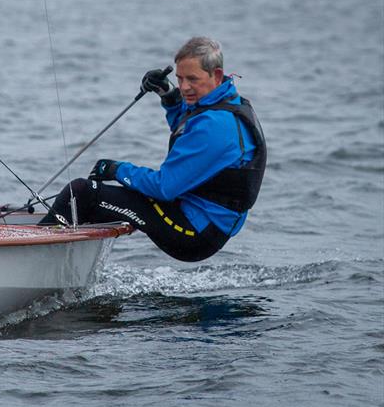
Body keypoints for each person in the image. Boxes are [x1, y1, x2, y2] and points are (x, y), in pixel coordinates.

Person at [39, 37, 266, 262]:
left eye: (192, 79)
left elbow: (165, 187)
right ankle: (63, 271)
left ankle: (34, 260)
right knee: (90, 205)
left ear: (216, 75)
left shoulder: (216, 127)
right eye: (179, 78)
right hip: (202, 221)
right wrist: (168, 94)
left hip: (193, 233)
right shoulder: (227, 104)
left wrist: (117, 170)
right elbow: (189, 125)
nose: (184, 86)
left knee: (80, 193)